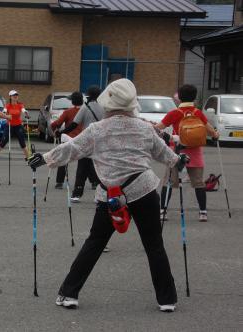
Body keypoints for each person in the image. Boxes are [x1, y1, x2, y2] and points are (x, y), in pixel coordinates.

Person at [28, 78, 189, 312]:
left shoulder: (97, 129)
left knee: (94, 242)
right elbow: (163, 153)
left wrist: (43, 159)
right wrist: (179, 161)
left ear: (109, 101)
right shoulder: (144, 127)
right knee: (154, 245)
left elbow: (71, 149)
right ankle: (167, 299)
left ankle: (69, 294)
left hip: (111, 193)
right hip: (144, 189)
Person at [154, 84, 219, 222]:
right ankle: (203, 212)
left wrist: (168, 137)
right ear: (194, 97)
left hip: (177, 152)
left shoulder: (174, 113)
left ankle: (162, 211)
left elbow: (158, 129)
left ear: (179, 98)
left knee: (169, 182)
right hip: (195, 152)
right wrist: (215, 134)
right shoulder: (197, 113)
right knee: (199, 183)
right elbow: (210, 130)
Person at [60, 86, 104, 202]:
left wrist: (61, 132)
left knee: (82, 168)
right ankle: (101, 195)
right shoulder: (104, 108)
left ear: (88, 95)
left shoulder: (86, 107)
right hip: (100, 142)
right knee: (100, 168)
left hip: (87, 141)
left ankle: (77, 194)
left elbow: (75, 124)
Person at [51, 92, 84, 189]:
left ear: (73, 101)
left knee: (63, 160)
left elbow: (57, 123)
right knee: (85, 161)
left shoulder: (68, 112)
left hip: (68, 139)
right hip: (82, 139)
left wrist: (54, 130)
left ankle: (59, 182)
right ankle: (93, 181)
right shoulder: (85, 111)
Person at [0, 90, 31, 160]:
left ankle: (28, 159)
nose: (16, 96)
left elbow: (23, 110)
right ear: (10, 97)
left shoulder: (20, 105)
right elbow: (4, 111)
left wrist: (26, 113)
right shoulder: (8, 105)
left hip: (18, 126)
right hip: (9, 126)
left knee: (22, 143)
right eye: (14, 95)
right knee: (3, 142)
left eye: (16, 95)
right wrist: (3, 113)